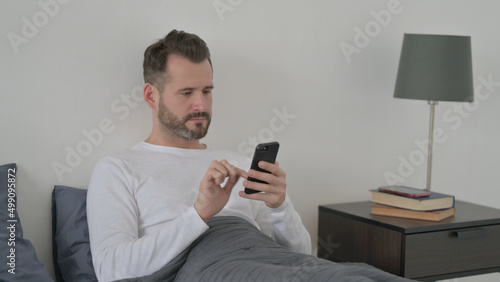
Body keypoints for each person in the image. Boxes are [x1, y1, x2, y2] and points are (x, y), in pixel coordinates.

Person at [86, 29, 311, 281]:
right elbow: (110, 269)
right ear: (151, 96)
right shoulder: (118, 169)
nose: (201, 105)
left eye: (207, 91)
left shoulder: (237, 165)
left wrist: (280, 207)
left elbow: (299, 258)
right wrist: (199, 213)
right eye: (187, 92)